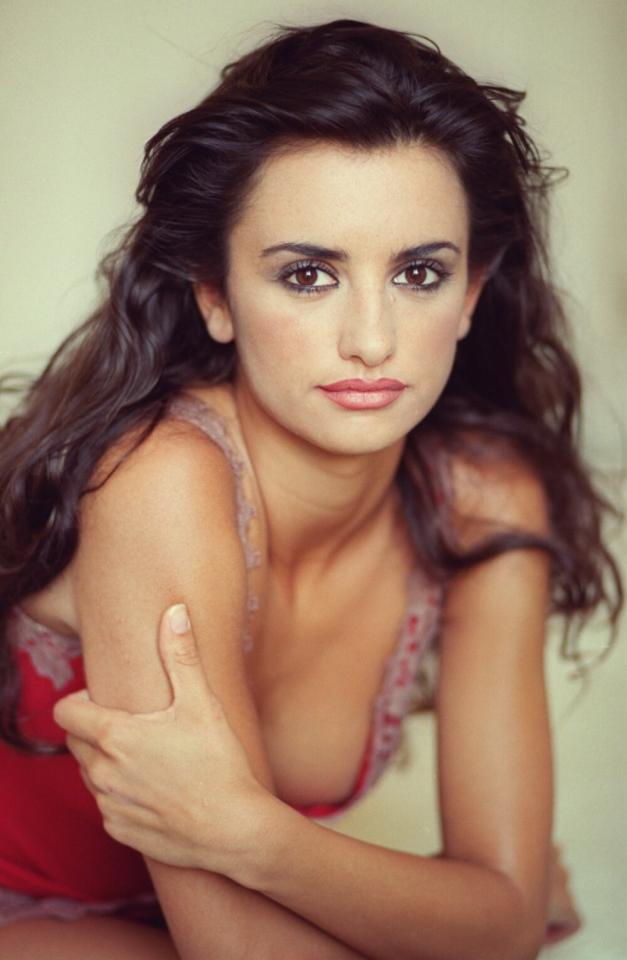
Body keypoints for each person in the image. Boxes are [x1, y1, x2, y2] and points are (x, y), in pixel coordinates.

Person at [0, 17, 622, 960]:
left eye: (418, 273)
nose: (371, 340)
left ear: (469, 294)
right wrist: (435, 915)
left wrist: (251, 834)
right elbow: (241, 947)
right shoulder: (160, 483)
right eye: (307, 275)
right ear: (214, 293)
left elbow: (500, 918)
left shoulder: (486, 497)